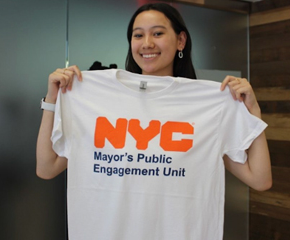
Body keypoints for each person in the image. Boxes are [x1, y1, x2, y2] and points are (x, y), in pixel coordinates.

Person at [36, 3, 272, 240]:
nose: (147, 43)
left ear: (181, 41)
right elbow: (47, 168)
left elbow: (260, 180)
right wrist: (52, 101)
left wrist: (253, 111)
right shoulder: (98, 102)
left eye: (157, 33)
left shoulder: (207, 108)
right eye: (138, 35)